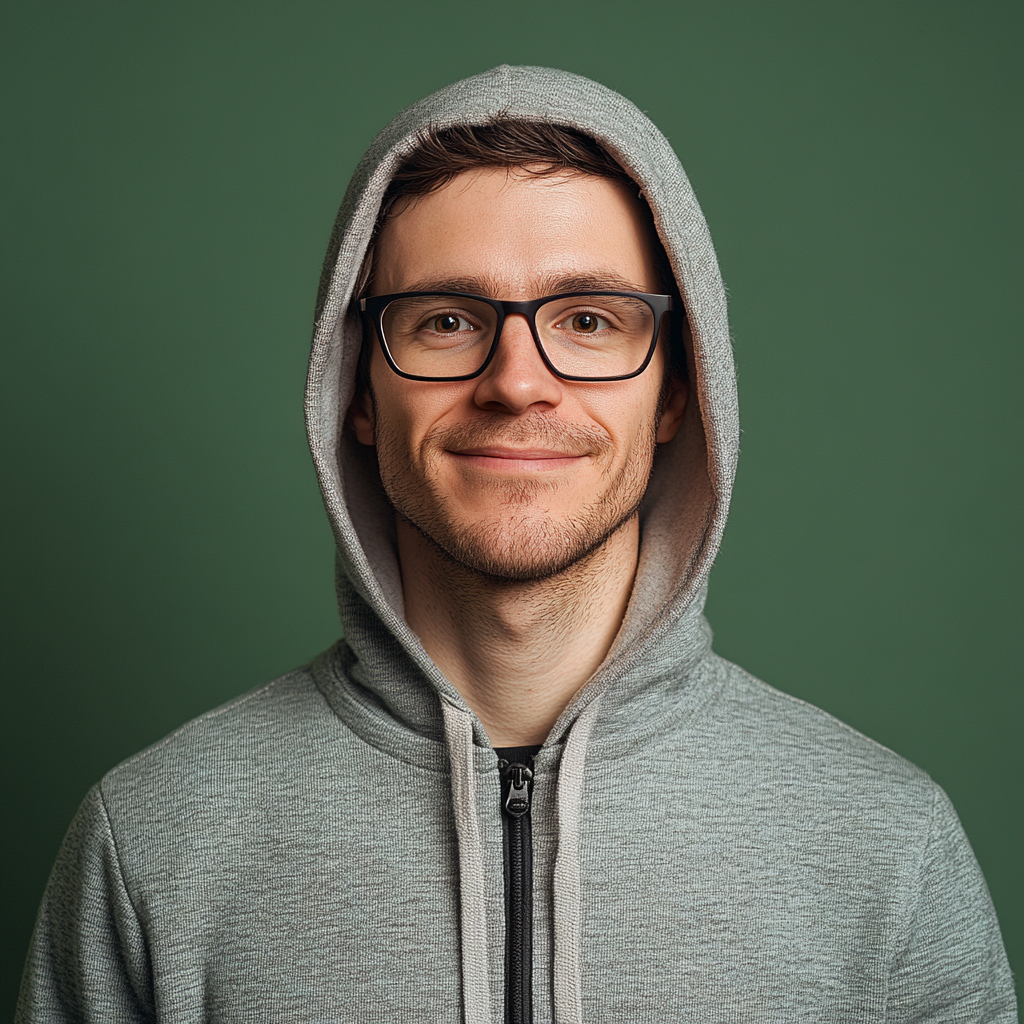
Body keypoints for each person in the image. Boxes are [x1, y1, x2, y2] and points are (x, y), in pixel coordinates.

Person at [17, 65, 1015, 1024]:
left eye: (588, 319)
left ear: (677, 390)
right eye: (447, 319)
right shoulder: (153, 841)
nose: (517, 381)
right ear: (358, 389)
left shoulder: (886, 847)